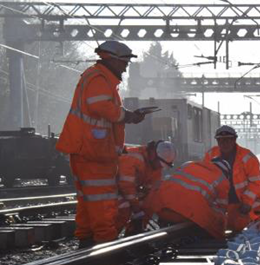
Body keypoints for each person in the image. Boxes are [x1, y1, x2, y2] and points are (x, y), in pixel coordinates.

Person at [56, 41, 148, 248]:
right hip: (93, 150)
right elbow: (101, 107)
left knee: (89, 198)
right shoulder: (99, 79)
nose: (126, 66)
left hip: (89, 149)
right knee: (103, 198)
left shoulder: (101, 78)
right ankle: (104, 242)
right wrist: (129, 116)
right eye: (124, 62)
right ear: (112, 59)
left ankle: (86, 238)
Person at [144, 158, 231, 240]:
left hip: (161, 209)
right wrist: (220, 232)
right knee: (212, 215)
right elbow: (221, 210)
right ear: (226, 172)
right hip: (186, 216)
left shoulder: (188, 164)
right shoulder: (222, 179)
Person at [203, 126, 260, 233]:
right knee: (219, 228)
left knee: (240, 227)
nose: (225, 143)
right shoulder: (210, 155)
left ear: (234, 140)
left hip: (244, 204)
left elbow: (256, 183)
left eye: (228, 140)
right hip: (224, 204)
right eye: (221, 140)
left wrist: (247, 202)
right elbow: (205, 179)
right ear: (217, 141)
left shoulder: (247, 157)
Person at [115, 140, 177, 235]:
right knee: (124, 208)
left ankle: (135, 232)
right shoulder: (133, 158)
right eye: (159, 164)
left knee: (149, 203)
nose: (159, 167)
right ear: (154, 155)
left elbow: (152, 191)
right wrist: (136, 207)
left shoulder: (155, 166)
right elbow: (125, 185)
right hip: (113, 189)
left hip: (127, 192)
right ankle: (109, 238)